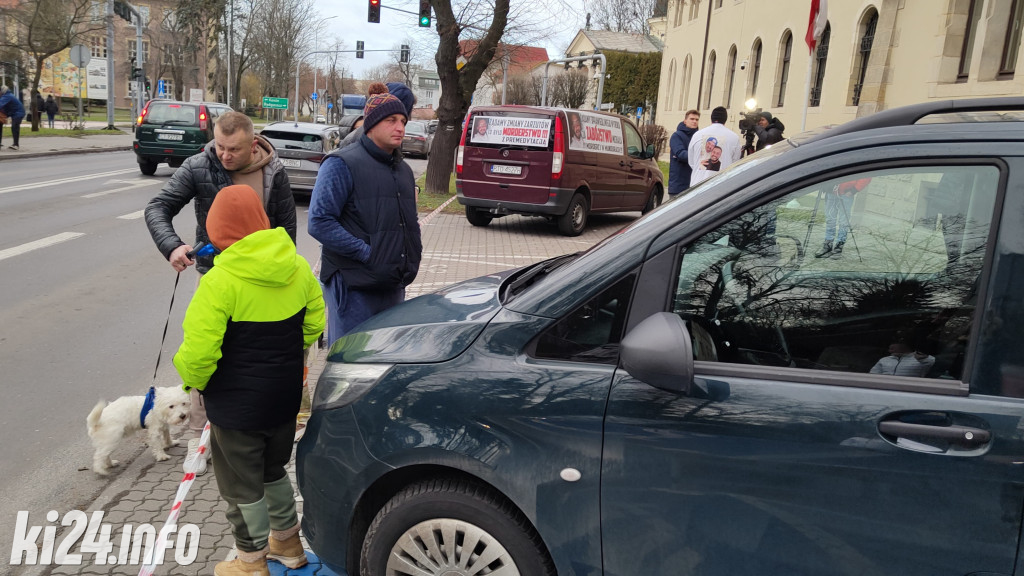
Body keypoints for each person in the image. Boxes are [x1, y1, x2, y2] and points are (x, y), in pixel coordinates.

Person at [172, 184, 325, 576]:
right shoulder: (295, 266)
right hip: (284, 398)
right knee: (273, 472)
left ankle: (250, 560)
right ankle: (288, 545)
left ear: (218, 231)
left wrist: (194, 381)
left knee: (241, 487)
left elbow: (200, 353)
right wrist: (284, 355)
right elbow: (314, 323)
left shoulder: (220, 282)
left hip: (237, 407)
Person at [145, 110, 297, 444]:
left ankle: (254, 430)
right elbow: (158, 207)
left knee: (255, 360)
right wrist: (172, 246)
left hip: (263, 284)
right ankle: (199, 438)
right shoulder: (199, 165)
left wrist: (288, 275)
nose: (224, 155)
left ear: (253, 144)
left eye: (234, 150)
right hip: (215, 277)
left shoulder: (275, 172)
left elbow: (287, 233)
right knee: (204, 354)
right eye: (220, 146)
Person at [308, 90, 423, 346]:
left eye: (403, 121)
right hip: (352, 285)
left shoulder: (403, 170)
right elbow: (319, 222)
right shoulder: (341, 163)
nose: (400, 127)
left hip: (392, 282)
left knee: (382, 360)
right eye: (391, 120)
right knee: (350, 359)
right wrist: (367, 253)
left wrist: (411, 253)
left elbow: (407, 223)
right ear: (371, 124)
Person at [338, 81, 415, 149]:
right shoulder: (355, 145)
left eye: (403, 121)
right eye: (391, 120)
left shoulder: (389, 148)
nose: (400, 129)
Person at [815, 177, 871, 258]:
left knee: (843, 221)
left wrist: (854, 190)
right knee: (830, 219)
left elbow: (866, 176)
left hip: (846, 193)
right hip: (831, 191)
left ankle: (839, 246)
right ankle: (828, 244)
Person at [687, 106, 741, 186]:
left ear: (711, 118)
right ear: (725, 120)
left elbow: (691, 160)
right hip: (721, 185)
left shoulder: (697, 135)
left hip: (697, 184)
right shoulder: (734, 137)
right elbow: (735, 162)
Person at [668, 109, 699, 197]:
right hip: (678, 185)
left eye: (696, 120)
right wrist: (698, 156)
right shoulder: (677, 136)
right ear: (685, 121)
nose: (694, 121)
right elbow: (680, 154)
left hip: (694, 183)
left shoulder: (698, 136)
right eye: (692, 119)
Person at [870, 340, 935, 377]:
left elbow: (933, 364)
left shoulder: (921, 358)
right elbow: (872, 375)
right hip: (884, 388)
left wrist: (923, 358)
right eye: (889, 349)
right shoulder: (884, 360)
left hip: (910, 389)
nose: (890, 351)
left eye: (892, 348)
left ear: (904, 346)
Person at [0, 85, 26, 150]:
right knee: (14, 127)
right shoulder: (8, 95)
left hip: (18, 113)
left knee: (15, 127)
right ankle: (15, 144)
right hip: (16, 113)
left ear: (2, 91)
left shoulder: (7, 96)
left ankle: (16, 145)